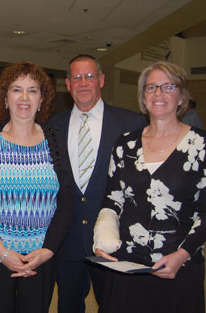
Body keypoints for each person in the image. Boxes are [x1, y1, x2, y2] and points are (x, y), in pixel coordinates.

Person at [93, 61, 206, 313]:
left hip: (177, 266)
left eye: (168, 86)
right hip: (127, 264)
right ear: (143, 96)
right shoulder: (125, 144)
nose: (158, 93)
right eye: (151, 87)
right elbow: (112, 199)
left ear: (182, 95)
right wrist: (103, 238)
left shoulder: (204, 145)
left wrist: (182, 255)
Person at [0, 61, 73, 313]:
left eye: (33, 90)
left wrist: (47, 250)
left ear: (42, 99)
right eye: (16, 89)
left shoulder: (55, 140)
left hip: (40, 257)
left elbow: (66, 199)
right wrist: (1, 251)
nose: (24, 97)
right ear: (5, 97)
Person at [49, 54, 146, 313]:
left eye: (89, 76)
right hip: (67, 240)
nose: (83, 83)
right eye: (77, 77)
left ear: (101, 80)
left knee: (116, 306)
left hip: (113, 239)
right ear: (68, 84)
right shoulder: (51, 128)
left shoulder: (131, 124)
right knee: (68, 306)